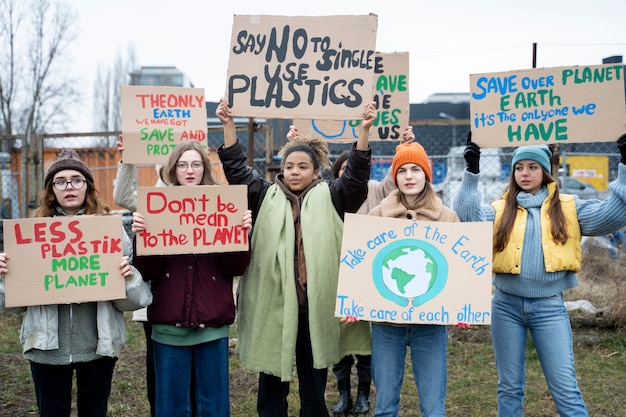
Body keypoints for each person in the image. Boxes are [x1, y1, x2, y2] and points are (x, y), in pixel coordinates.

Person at [216, 98, 374, 417]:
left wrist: (363, 133)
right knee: (272, 382)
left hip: (314, 307)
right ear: (281, 169)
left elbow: (356, 180)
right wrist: (228, 126)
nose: (294, 172)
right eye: (289, 166)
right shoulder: (263, 195)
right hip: (274, 306)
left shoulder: (332, 195)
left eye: (302, 166)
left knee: (314, 383)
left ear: (316, 171)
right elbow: (236, 171)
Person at [454, 133, 626, 417]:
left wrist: (624, 166)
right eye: (519, 167)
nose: (525, 173)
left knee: (565, 388)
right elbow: (467, 216)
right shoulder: (500, 209)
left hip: (549, 308)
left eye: (532, 167)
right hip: (506, 306)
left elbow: (614, 214)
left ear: (545, 171)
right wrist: (472, 170)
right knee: (509, 387)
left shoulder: (570, 207)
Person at [0, 149, 153, 417]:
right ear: (51, 189)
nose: (69, 186)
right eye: (61, 181)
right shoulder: (30, 234)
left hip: (98, 347)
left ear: (88, 186)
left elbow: (136, 301)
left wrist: (127, 276)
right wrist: (5, 278)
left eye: (76, 180)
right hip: (46, 349)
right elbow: (10, 306)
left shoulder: (110, 230)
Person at [131, 140, 252, 417]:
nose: (189, 170)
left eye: (196, 164)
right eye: (183, 164)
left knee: (214, 406)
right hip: (169, 324)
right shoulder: (155, 209)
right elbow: (148, 271)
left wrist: (241, 235)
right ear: (173, 170)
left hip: (212, 322)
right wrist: (142, 237)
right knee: (171, 406)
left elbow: (236, 267)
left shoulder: (223, 206)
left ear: (204, 169)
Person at [366, 141, 459, 417]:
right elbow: (360, 267)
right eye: (402, 170)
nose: (409, 176)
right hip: (386, 325)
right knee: (384, 407)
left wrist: (463, 307)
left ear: (427, 175)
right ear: (394, 177)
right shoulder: (376, 216)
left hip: (430, 326)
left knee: (433, 408)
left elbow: (458, 272)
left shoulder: (447, 218)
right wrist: (355, 304)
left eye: (416, 169)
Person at [328, 125, 415, 416]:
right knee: (341, 338)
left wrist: (403, 149)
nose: (347, 176)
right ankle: (343, 393)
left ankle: (364, 394)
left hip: (372, 278)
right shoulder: (328, 197)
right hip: (340, 277)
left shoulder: (376, 190)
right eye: (342, 171)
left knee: (366, 338)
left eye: (352, 170)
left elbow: (395, 179)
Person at [112, 136, 165, 417]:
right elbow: (122, 197)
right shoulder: (151, 200)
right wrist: (127, 159)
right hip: (159, 297)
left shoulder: (203, 193)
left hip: (197, 298)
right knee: (157, 362)